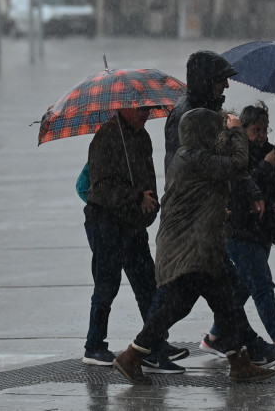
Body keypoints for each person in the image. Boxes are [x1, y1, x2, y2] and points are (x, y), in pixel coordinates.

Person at [112, 108, 275, 385]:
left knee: (218, 303)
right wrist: (236, 129)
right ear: (202, 133)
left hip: (198, 244)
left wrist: (216, 211)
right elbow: (237, 164)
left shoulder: (191, 156)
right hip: (190, 248)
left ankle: (239, 362)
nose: (219, 135)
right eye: (215, 131)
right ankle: (132, 355)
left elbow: (201, 193)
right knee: (190, 304)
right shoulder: (194, 158)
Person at [201, 101, 275, 360]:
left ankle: (214, 337)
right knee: (261, 284)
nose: (261, 135)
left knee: (243, 288)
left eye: (264, 130)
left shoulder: (272, 152)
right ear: (244, 130)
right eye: (255, 130)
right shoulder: (237, 153)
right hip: (239, 232)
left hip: (264, 232)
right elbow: (240, 184)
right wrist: (265, 168)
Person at [83, 107, 187, 373]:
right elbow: (102, 186)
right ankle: (94, 345)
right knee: (107, 283)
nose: (145, 115)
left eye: (148, 110)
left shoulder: (141, 136)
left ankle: (153, 344)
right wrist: (136, 196)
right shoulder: (106, 136)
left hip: (131, 222)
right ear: (124, 108)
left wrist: (149, 203)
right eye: (140, 110)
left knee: (147, 284)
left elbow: (145, 176)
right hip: (106, 221)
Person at [164, 50, 238, 172]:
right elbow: (184, 167)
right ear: (208, 82)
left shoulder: (207, 107)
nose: (226, 85)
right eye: (222, 79)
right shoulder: (188, 116)